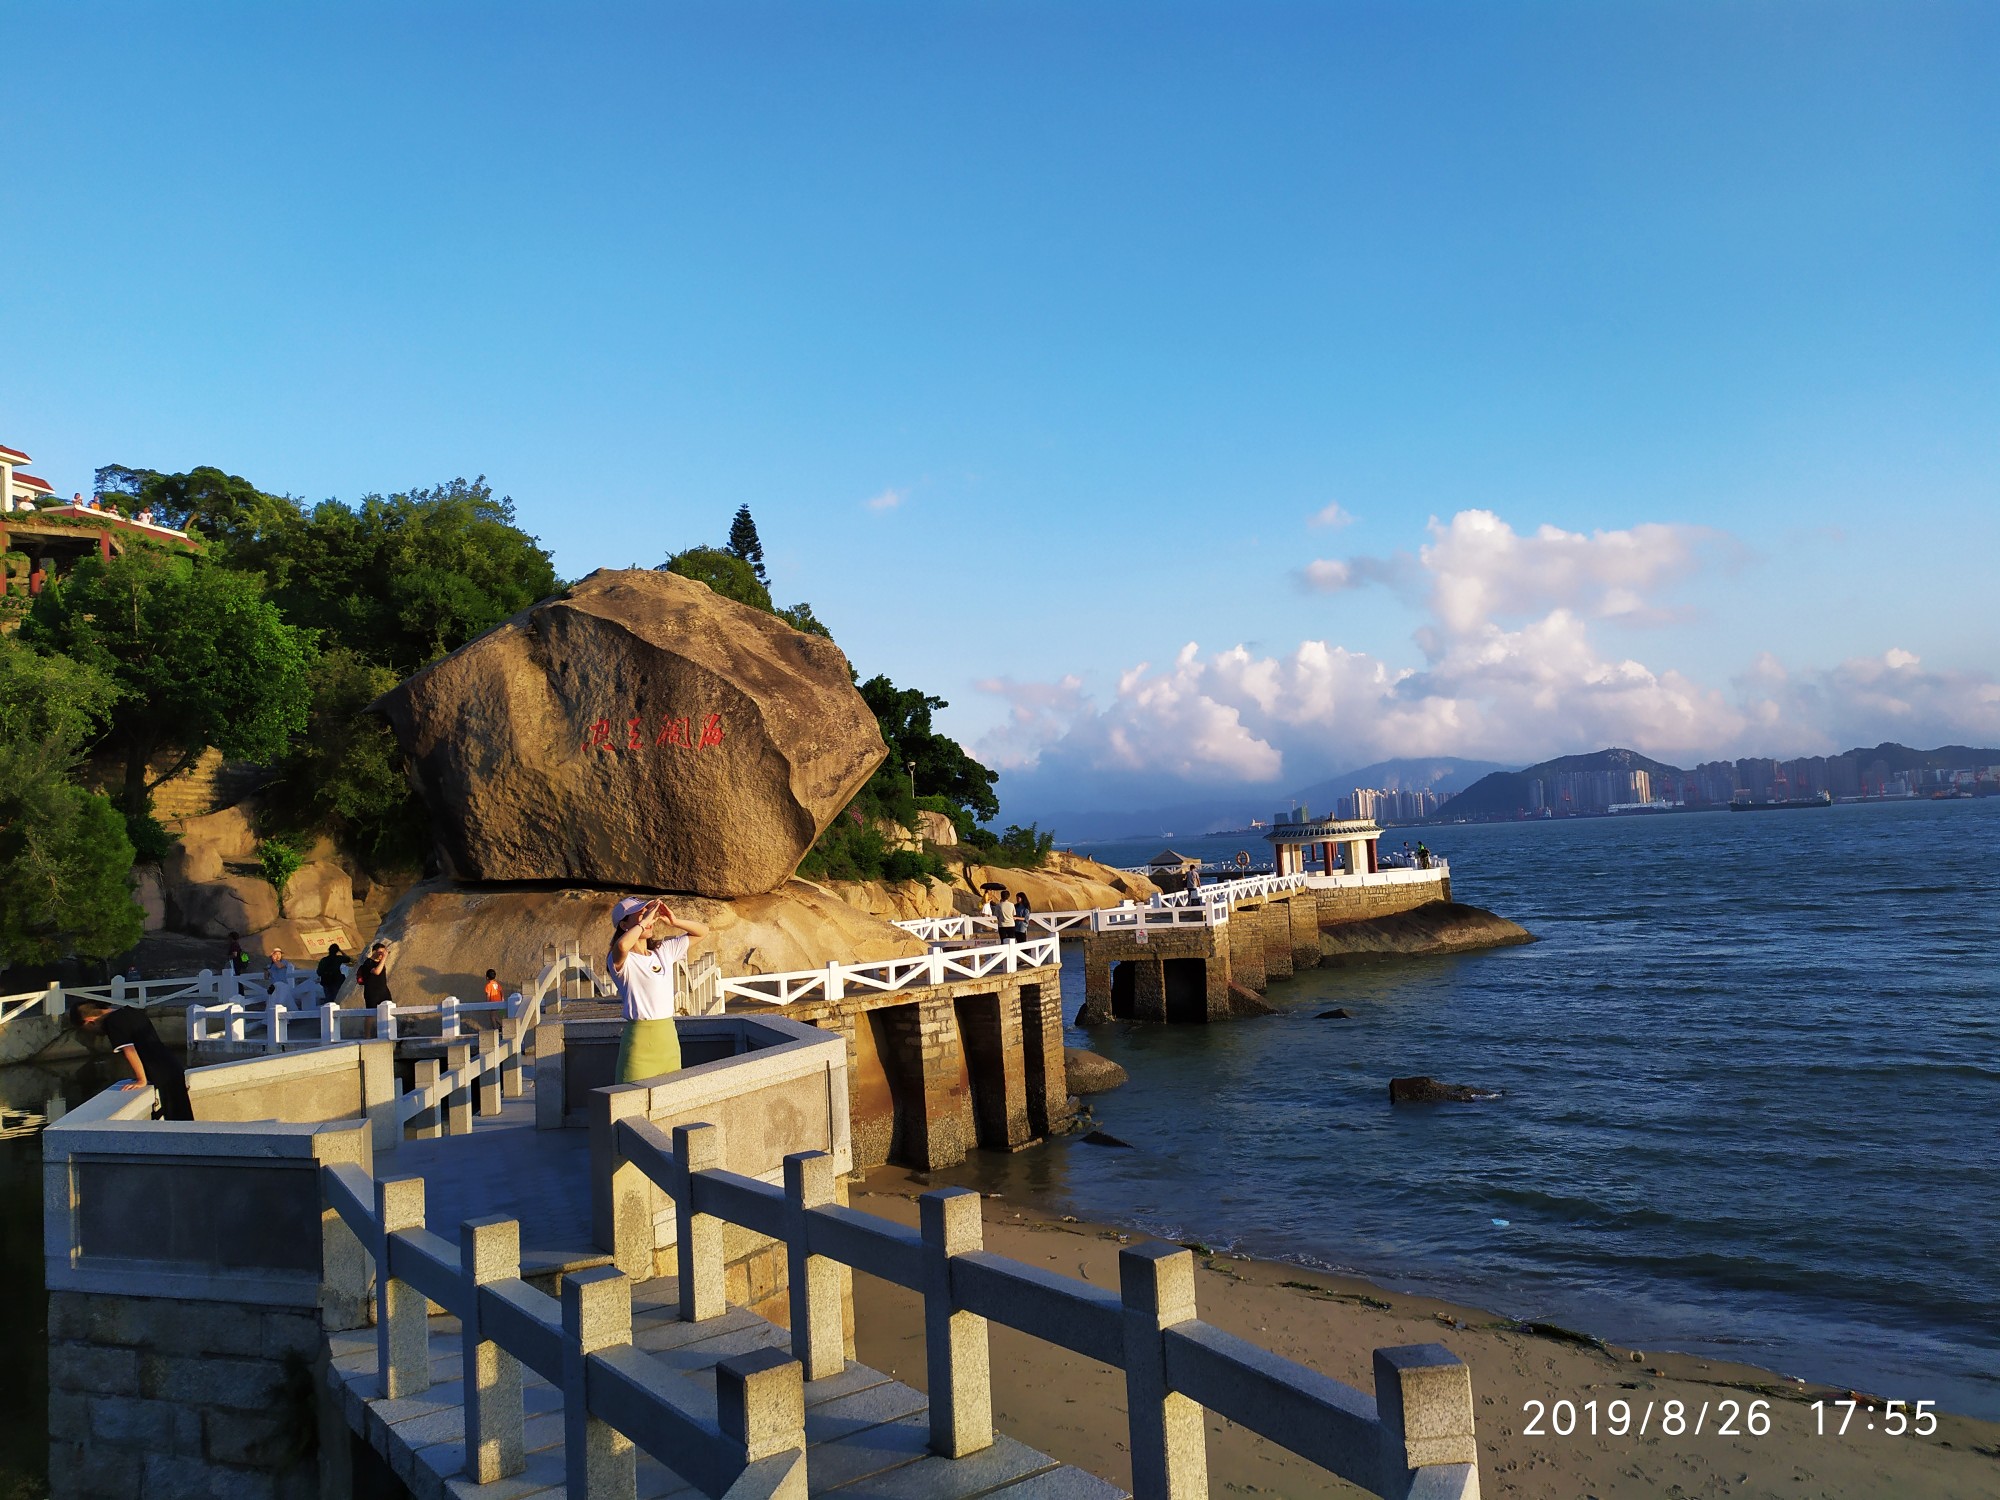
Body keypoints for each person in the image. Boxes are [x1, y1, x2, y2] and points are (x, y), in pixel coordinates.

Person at [608, 896, 711, 1084]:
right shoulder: (623, 960)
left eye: (648, 914)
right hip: (640, 1042)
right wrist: (645, 921)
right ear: (624, 925)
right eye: (640, 915)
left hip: (668, 1039)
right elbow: (622, 945)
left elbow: (703, 932)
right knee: (631, 1101)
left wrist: (674, 921)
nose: (648, 920)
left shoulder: (663, 951)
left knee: (669, 1101)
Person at [69, 999, 193, 1120]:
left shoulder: (113, 1022)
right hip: (171, 1064)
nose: (92, 1033)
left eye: (85, 1029)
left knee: (175, 1116)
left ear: (89, 1021)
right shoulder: (130, 1011)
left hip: (160, 1070)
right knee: (182, 1111)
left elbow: (130, 1051)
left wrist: (141, 1080)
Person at [355, 942, 393, 1007]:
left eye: (384, 952)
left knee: (387, 1012)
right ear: (374, 952)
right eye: (380, 952)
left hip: (383, 992)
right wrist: (384, 958)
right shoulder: (368, 962)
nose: (382, 954)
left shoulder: (380, 963)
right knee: (371, 1014)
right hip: (372, 993)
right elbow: (376, 972)